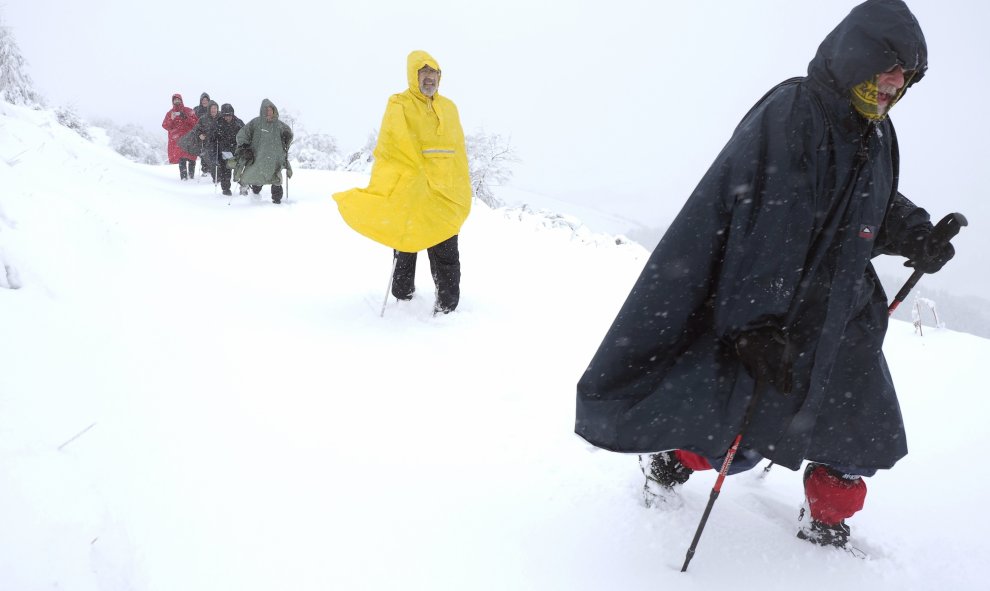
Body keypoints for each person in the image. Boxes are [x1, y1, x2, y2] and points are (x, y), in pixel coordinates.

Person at [574, 0, 957, 550]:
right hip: (776, 308)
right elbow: (766, 218)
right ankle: (670, 460)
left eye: (907, 73)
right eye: (888, 65)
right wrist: (753, 324)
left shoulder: (876, 131)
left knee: (855, 426)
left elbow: (868, 202)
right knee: (739, 418)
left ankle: (827, 515)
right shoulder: (796, 109)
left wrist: (917, 233)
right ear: (858, 56)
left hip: (844, 312)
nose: (895, 82)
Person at [333, 50, 471, 315]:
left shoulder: (450, 108)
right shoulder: (399, 104)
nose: (429, 78)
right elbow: (393, 145)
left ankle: (447, 306)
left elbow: (458, 152)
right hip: (413, 188)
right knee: (406, 242)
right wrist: (413, 174)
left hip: (443, 195)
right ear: (413, 75)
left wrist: (459, 186)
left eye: (434, 73)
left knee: (446, 250)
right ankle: (402, 295)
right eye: (424, 72)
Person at [234, 99, 293, 204]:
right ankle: (254, 193)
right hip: (258, 157)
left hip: (275, 159)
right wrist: (244, 147)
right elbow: (242, 134)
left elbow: (289, 136)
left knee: (276, 179)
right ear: (262, 111)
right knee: (257, 176)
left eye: (271, 110)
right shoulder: (256, 123)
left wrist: (287, 138)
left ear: (274, 111)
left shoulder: (280, 125)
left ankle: (277, 201)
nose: (269, 112)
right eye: (266, 110)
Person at [161, 93, 198, 180]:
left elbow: (196, 123)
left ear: (181, 100)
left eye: (178, 100)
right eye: (175, 100)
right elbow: (165, 125)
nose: (177, 101)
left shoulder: (188, 111)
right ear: (173, 101)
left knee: (192, 158)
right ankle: (184, 178)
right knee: (182, 159)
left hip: (189, 139)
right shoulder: (170, 113)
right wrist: (171, 119)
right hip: (178, 141)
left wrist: (186, 117)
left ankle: (191, 177)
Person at [216, 103, 245, 196]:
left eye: (229, 115)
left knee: (240, 171)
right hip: (224, 152)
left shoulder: (239, 123)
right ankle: (226, 189)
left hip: (237, 151)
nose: (227, 117)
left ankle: (244, 188)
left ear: (232, 114)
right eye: (225, 115)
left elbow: (245, 136)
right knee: (225, 172)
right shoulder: (218, 123)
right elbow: (213, 138)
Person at [194, 92, 212, 176]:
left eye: (206, 100)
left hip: (211, 134)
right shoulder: (197, 110)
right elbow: (194, 123)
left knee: (211, 152)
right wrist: (199, 134)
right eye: (203, 100)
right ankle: (205, 170)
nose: (204, 101)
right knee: (203, 152)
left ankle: (211, 169)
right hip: (200, 135)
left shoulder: (212, 109)